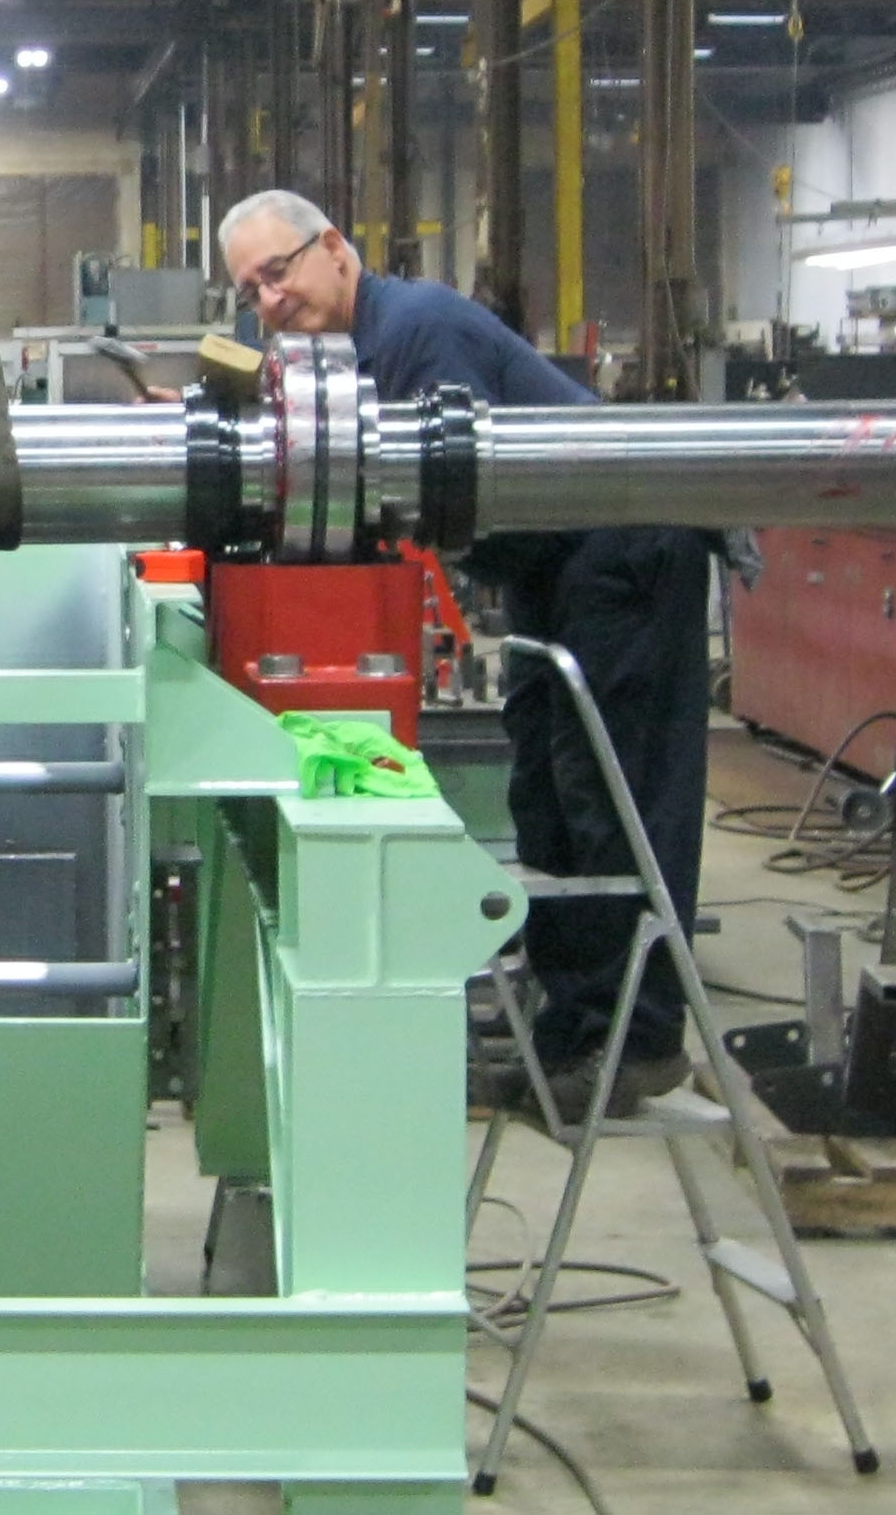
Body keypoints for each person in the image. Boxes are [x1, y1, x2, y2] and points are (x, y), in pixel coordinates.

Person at [216, 189, 710, 1121]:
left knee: (616, 804)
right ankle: (569, 1026)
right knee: (549, 804)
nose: (269, 303)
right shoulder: (361, 352)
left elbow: (444, 490)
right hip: (554, 568)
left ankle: (634, 1042)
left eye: (277, 273)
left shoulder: (417, 331)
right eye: (251, 292)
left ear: (334, 249)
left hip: (621, 549)